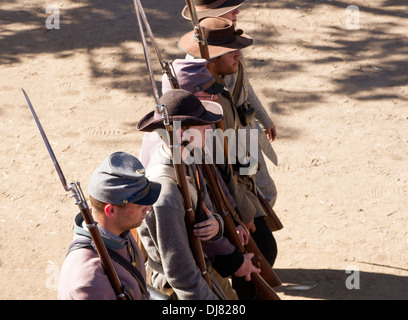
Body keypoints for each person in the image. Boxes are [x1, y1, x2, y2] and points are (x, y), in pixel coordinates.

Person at [178, 19, 278, 299]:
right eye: (231, 50)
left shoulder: (220, 85)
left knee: (263, 249)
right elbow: (213, 171)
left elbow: (238, 145)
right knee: (256, 255)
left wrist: (250, 197)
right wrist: (239, 214)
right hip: (219, 197)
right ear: (211, 59)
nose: (239, 55)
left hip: (238, 184)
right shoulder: (203, 99)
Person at [136, 89, 260, 300]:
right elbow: (180, 274)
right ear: (180, 134)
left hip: (200, 264)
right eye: (200, 124)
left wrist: (217, 226)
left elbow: (207, 210)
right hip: (181, 286)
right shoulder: (165, 192)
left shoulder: (189, 157)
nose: (209, 128)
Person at [181, 0, 279, 208]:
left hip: (246, 134)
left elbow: (245, 86)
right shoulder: (197, 62)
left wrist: (264, 118)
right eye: (228, 10)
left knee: (263, 191)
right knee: (250, 193)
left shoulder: (234, 44)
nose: (236, 12)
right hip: (228, 141)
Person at [58, 151, 161, 300]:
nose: (149, 208)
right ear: (111, 210)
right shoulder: (88, 281)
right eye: (140, 205)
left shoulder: (120, 231)